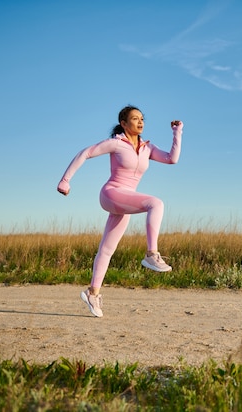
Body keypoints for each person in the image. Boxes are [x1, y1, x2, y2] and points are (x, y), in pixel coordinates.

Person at [57, 105, 183, 317]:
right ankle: (152, 254)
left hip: (126, 200)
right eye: (135, 119)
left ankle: (92, 293)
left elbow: (172, 158)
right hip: (111, 193)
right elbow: (85, 153)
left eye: (142, 118)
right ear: (124, 123)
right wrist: (65, 180)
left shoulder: (147, 147)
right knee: (156, 203)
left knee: (107, 249)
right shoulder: (116, 143)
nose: (140, 122)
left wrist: (177, 132)